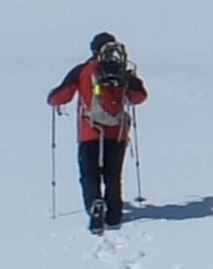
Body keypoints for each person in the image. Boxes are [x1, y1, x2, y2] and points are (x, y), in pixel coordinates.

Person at [48, 32, 148, 230]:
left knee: (89, 173)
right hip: (117, 133)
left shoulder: (83, 71)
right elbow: (139, 97)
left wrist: (52, 96)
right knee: (113, 175)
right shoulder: (123, 71)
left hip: (89, 132)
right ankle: (114, 215)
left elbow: (59, 98)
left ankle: (94, 203)